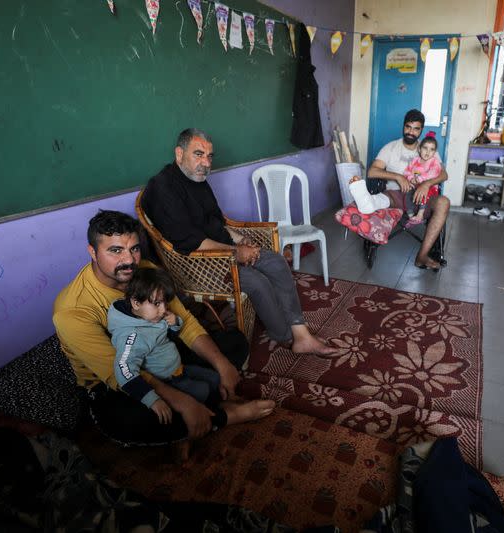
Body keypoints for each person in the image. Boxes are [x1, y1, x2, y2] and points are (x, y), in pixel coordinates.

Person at [53, 210, 275, 445]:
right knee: (133, 420)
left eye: (134, 249)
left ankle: (204, 401)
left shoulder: (145, 272)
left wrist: (222, 364)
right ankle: (224, 415)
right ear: (93, 252)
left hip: (161, 350)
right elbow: (118, 373)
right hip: (117, 379)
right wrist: (182, 402)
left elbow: (185, 322)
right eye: (115, 250)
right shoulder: (72, 310)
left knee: (233, 343)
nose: (129, 261)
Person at [141, 128, 335, 356]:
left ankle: (301, 335)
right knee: (258, 281)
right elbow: (189, 243)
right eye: (198, 154)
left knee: (276, 261)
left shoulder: (197, 178)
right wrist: (236, 252)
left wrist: (242, 240)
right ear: (179, 153)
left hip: (222, 249)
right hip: (195, 264)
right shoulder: (164, 188)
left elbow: (216, 222)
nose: (206, 162)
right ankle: (285, 336)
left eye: (209, 156)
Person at [109, 267, 224, 426]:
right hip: (169, 380)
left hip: (179, 367)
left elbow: (170, 333)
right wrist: (151, 399)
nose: (163, 310)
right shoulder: (132, 336)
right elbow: (123, 368)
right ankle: (213, 416)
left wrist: (175, 322)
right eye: (157, 303)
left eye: (164, 302)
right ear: (136, 303)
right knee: (203, 390)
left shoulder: (149, 313)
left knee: (215, 377)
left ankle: (217, 401)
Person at [367, 109, 451, 271]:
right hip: (395, 196)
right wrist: (398, 177)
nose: (411, 132)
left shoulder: (428, 148)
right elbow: (372, 172)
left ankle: (422, 256)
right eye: (408, 127)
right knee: (379, 199)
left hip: (422, 200)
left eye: (416, 128)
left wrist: (427, 184)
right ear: (403, 126)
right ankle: (367, 203)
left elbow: (444, 174)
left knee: (443, 202)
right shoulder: (390, 148)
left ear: (421, 130)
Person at [348, 132, 442, 226]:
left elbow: (434, 172)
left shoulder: (434, 161)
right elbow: (408, 171)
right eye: (425, 148)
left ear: (434, 152)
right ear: (419, 149)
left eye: (432, 150)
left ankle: (420, 214)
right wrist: (410, 178)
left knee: (422, 194)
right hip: (410, 188)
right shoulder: (413, 159)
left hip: (428, 189)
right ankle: (369, 203)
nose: (428, 152)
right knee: (404, 195)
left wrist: (422, 180)